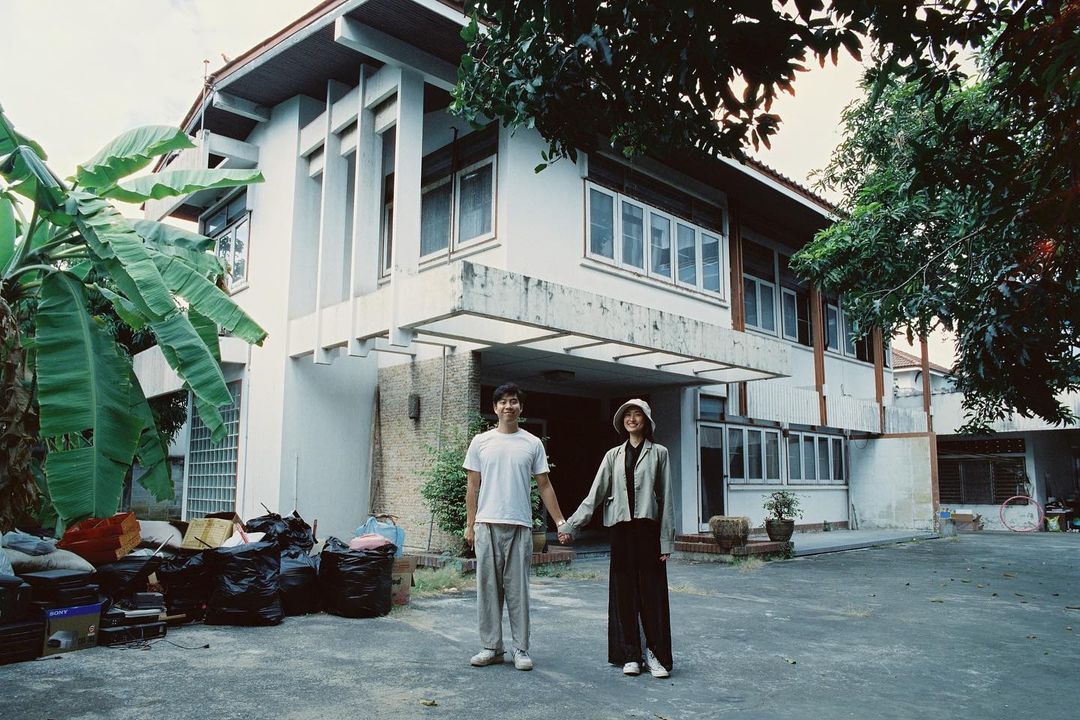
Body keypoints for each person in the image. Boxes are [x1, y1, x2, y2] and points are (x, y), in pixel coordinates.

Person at [558, 399, 675, 678]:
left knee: (651, 595)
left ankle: (655, 655)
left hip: (648, 531)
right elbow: (595, 494)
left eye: (637, 415)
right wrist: (571, 525)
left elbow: (667, 498)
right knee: (624, 595)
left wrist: (666, 542)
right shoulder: (613, 455)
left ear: (646, 420)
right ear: (622, 422)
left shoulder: (659, 453)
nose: (632, 419)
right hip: (621, 531)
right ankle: (630, 654)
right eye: (627, 415)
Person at [463, 382, 567, 671]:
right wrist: (470, 525)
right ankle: (491, 647)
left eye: (514, 401)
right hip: (486, 524)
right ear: (495, 408)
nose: (508, 406)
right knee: (488, 590)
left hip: (520, 526)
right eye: (503, 402)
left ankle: (520, 648)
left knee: (518, 591)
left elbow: (544, 485)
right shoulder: (480, 442)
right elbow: (472, 487)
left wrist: (560, 521)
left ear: (521, 408)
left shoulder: (532, 443)